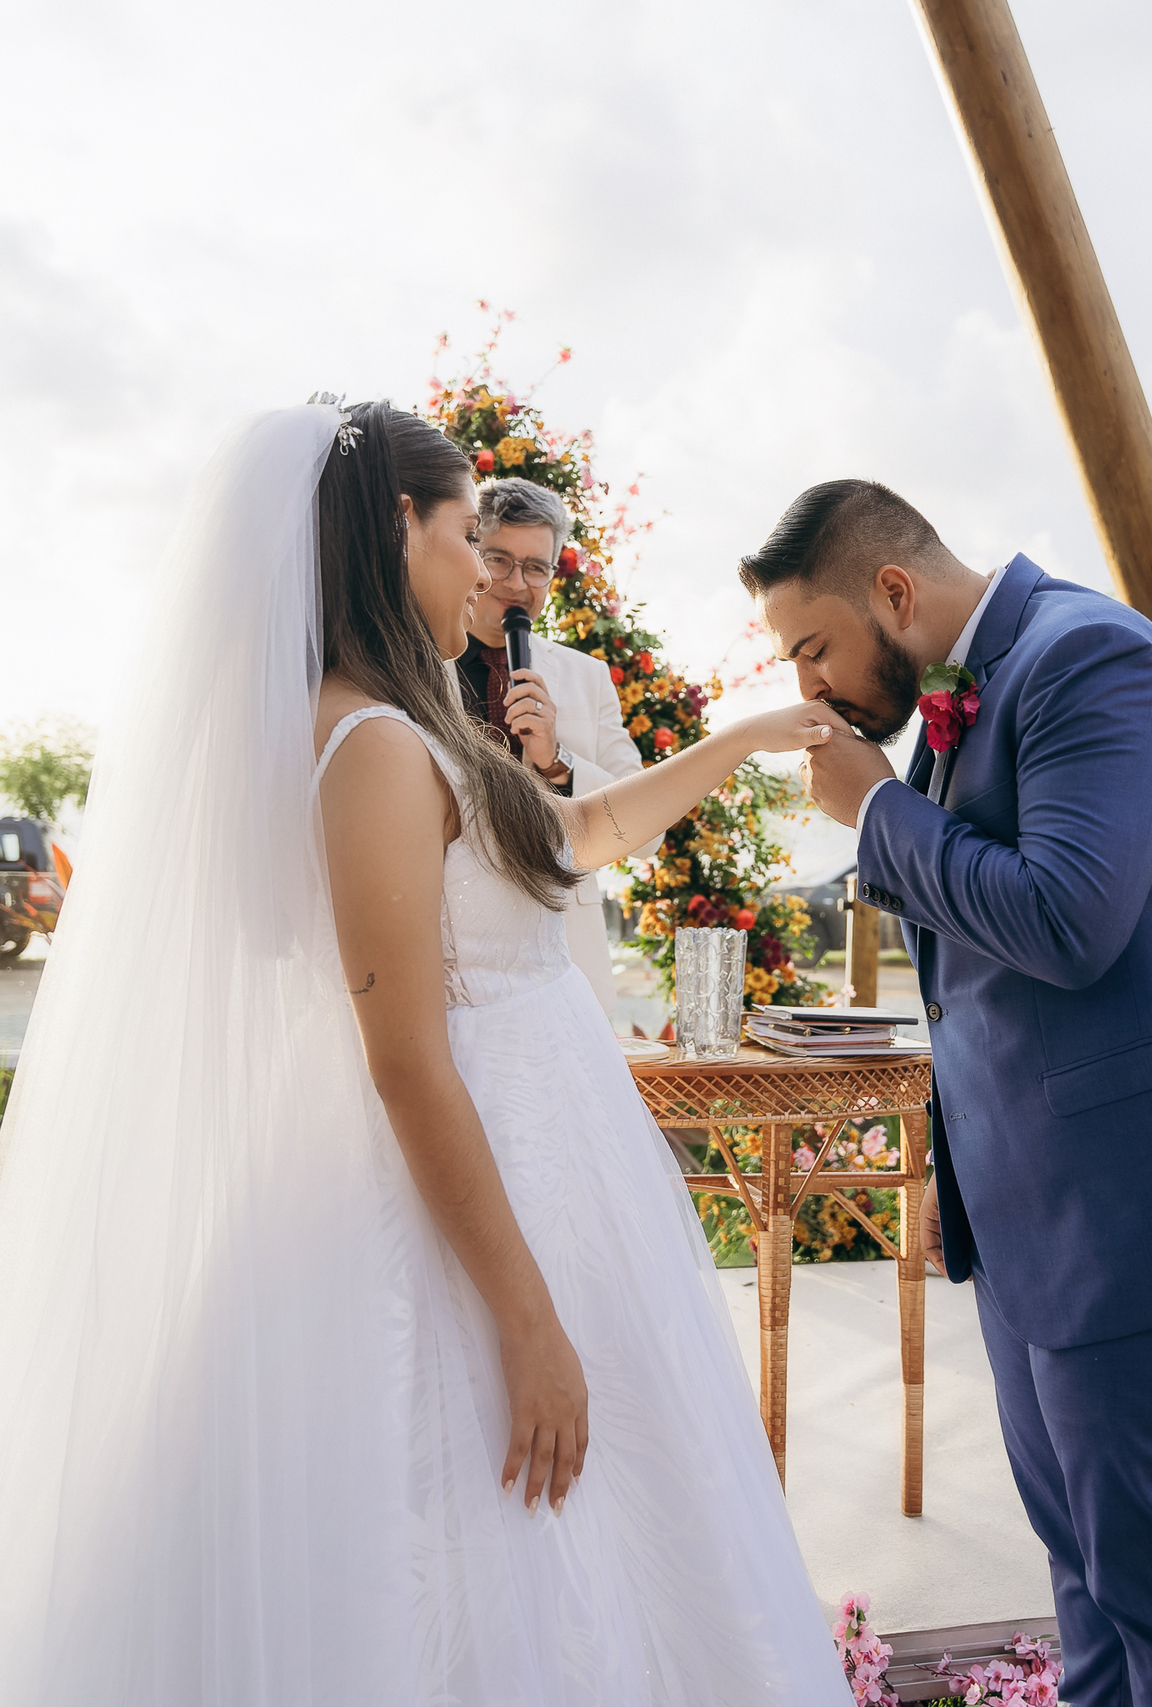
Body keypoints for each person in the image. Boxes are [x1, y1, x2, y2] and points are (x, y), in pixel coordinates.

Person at [0, 400, 852, 1706]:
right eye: (466, 536)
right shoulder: (375, 747)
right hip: (473, 1200)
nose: (488, 570)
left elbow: (571, 839)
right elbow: (404, 1056)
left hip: (550, 1165)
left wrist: (737, 740)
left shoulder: (411, 724)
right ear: (398, 541)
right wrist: (527, 1320)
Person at [740, 477, 1152, 1707]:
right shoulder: (957, 704)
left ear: (895, 591)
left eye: (814, 647)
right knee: (1088, 1589)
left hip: (1140, 1238)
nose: (811, 686)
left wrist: (880, 810)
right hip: (1029, 1238)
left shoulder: (1091, 656)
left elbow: (1068, 921)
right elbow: (974, 998)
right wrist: (959, 1179)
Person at [452, 475, 660, 1012]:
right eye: (499, 559)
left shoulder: (587, 678)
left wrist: (557, 762)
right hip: (448, 942)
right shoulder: (415, 665)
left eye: (536, 567)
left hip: (562, 952)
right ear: (471, 553)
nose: (517, 583)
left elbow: (645, 837)